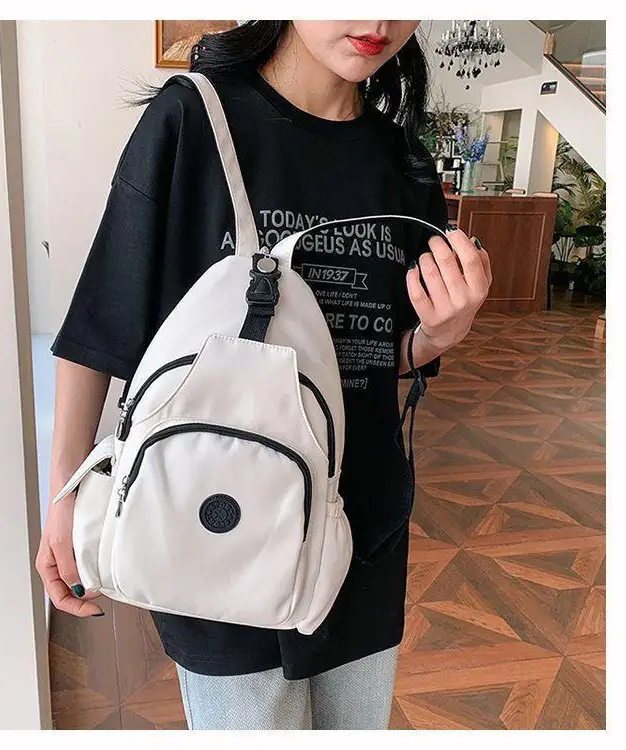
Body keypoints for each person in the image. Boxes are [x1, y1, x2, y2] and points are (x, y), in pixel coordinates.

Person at [35, 20, 492, 730]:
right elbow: (104, 323)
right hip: (211, 519)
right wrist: (66, 491)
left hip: (357, 529)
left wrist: (438, 335)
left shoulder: (404, 162)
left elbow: (382, 354)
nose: (377, 22)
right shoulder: (193, 119)